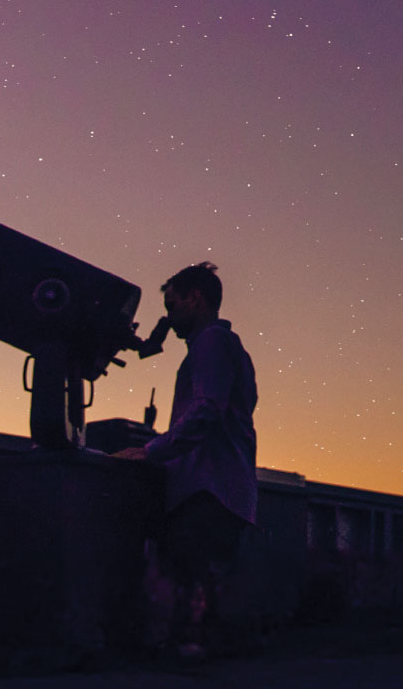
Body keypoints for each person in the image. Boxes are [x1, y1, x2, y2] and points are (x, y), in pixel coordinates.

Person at [114, 261, 257, 658]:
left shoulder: (213, 342)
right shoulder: (226, 348)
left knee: (192, 576)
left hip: (209, 487)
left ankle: (188, 650)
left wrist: (150, 451)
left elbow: (208, 410)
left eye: (172, 306)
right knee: (199, 580)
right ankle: (193, 649)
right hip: (219, 487)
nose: (169, 319)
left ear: (197, 298)